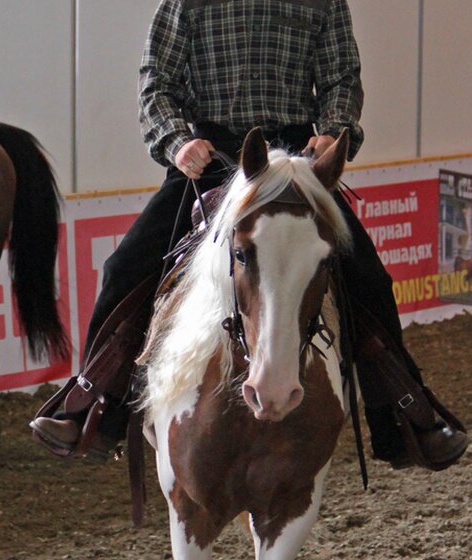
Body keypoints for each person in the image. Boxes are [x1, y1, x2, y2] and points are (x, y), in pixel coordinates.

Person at [31, 0, 467, 471]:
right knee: (124, 268)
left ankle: (401, 417)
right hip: (211, 158)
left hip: (294, 166)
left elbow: (342, 77)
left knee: (369, 278)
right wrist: (178, 142)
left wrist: (333, 132)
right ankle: (95, 407)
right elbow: (157, 82)